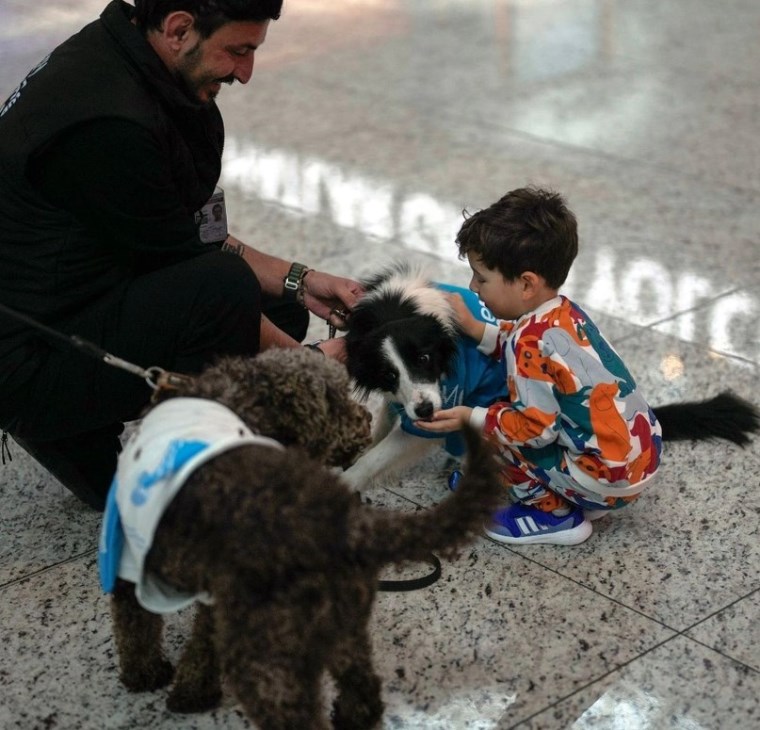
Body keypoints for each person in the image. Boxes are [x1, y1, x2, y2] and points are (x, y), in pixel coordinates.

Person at [0, 0, 362, 511]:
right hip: (30, 358)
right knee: (226, 293)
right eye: (237, 51)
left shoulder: (126, 54)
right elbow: (197, 273)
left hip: (70, 298)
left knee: (277, 307)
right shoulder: (109, 122)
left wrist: (302, 281)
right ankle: (66, 423)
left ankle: (92, 426)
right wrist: (307, 369)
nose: (246, 73)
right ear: (178, 29)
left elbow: (183, 234)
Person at [414, 187, 662, 546]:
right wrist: (478, 328)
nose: (473, 287)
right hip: (638, 460)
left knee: (497, 425)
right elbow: (527, 350)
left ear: (527, 284)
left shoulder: (527, 340)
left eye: (481, 278)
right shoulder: (564, 314)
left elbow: (534, 431)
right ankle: (579, 492)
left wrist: (472, 416)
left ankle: (552, 515)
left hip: (606, 479)